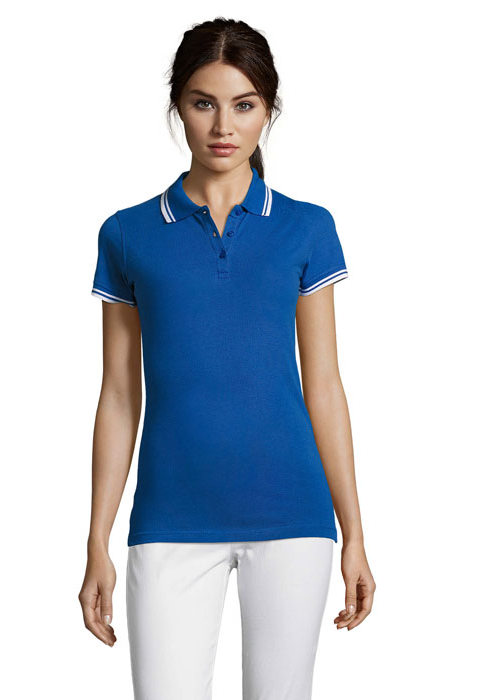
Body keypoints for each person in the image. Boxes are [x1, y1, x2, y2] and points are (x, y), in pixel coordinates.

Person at [78, 17, 376, 700]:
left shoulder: (307, 227)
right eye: (203, 103)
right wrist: (97, 540)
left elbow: (324, 386)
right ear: (178, 106)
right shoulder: (127, 234)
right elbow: (119, 396)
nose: (222, 126)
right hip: (169, 518)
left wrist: (355, 532)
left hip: (292, 515)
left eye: (243, 105)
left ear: (267, 109)